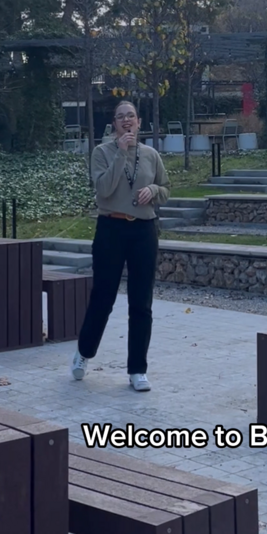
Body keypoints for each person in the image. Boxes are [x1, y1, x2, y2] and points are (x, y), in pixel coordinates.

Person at [71, 101, 170, 390]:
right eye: (120, 117)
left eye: (131, 116)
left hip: (143, 231)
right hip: (111, 229)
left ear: (139, 122)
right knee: (103, 298)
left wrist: (153, 190)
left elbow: (165, 188)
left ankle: (137, 369)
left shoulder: (151, 155)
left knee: (141, 302)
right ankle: (84, 352)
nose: (126, 121)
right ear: (114, 124)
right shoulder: (102, 153)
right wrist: (121, 154)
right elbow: (103, 190)